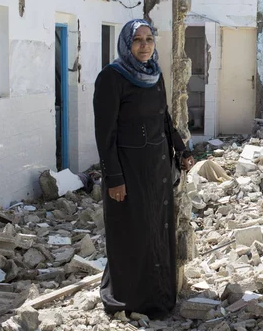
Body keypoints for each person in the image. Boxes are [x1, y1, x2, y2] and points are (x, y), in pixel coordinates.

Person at [93, 18, 194, 317]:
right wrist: (114, 179)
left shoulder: (154, 74)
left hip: (157, 170)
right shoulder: (112, 78)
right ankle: (130, 301)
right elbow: (105, 134)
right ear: (127, 44)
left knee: (157, 230)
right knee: (131, 233)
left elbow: (164, 119)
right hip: (129, 172)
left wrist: (181, 149)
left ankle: (160, 299)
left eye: (149, 39)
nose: (145, 46)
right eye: (138, 40)